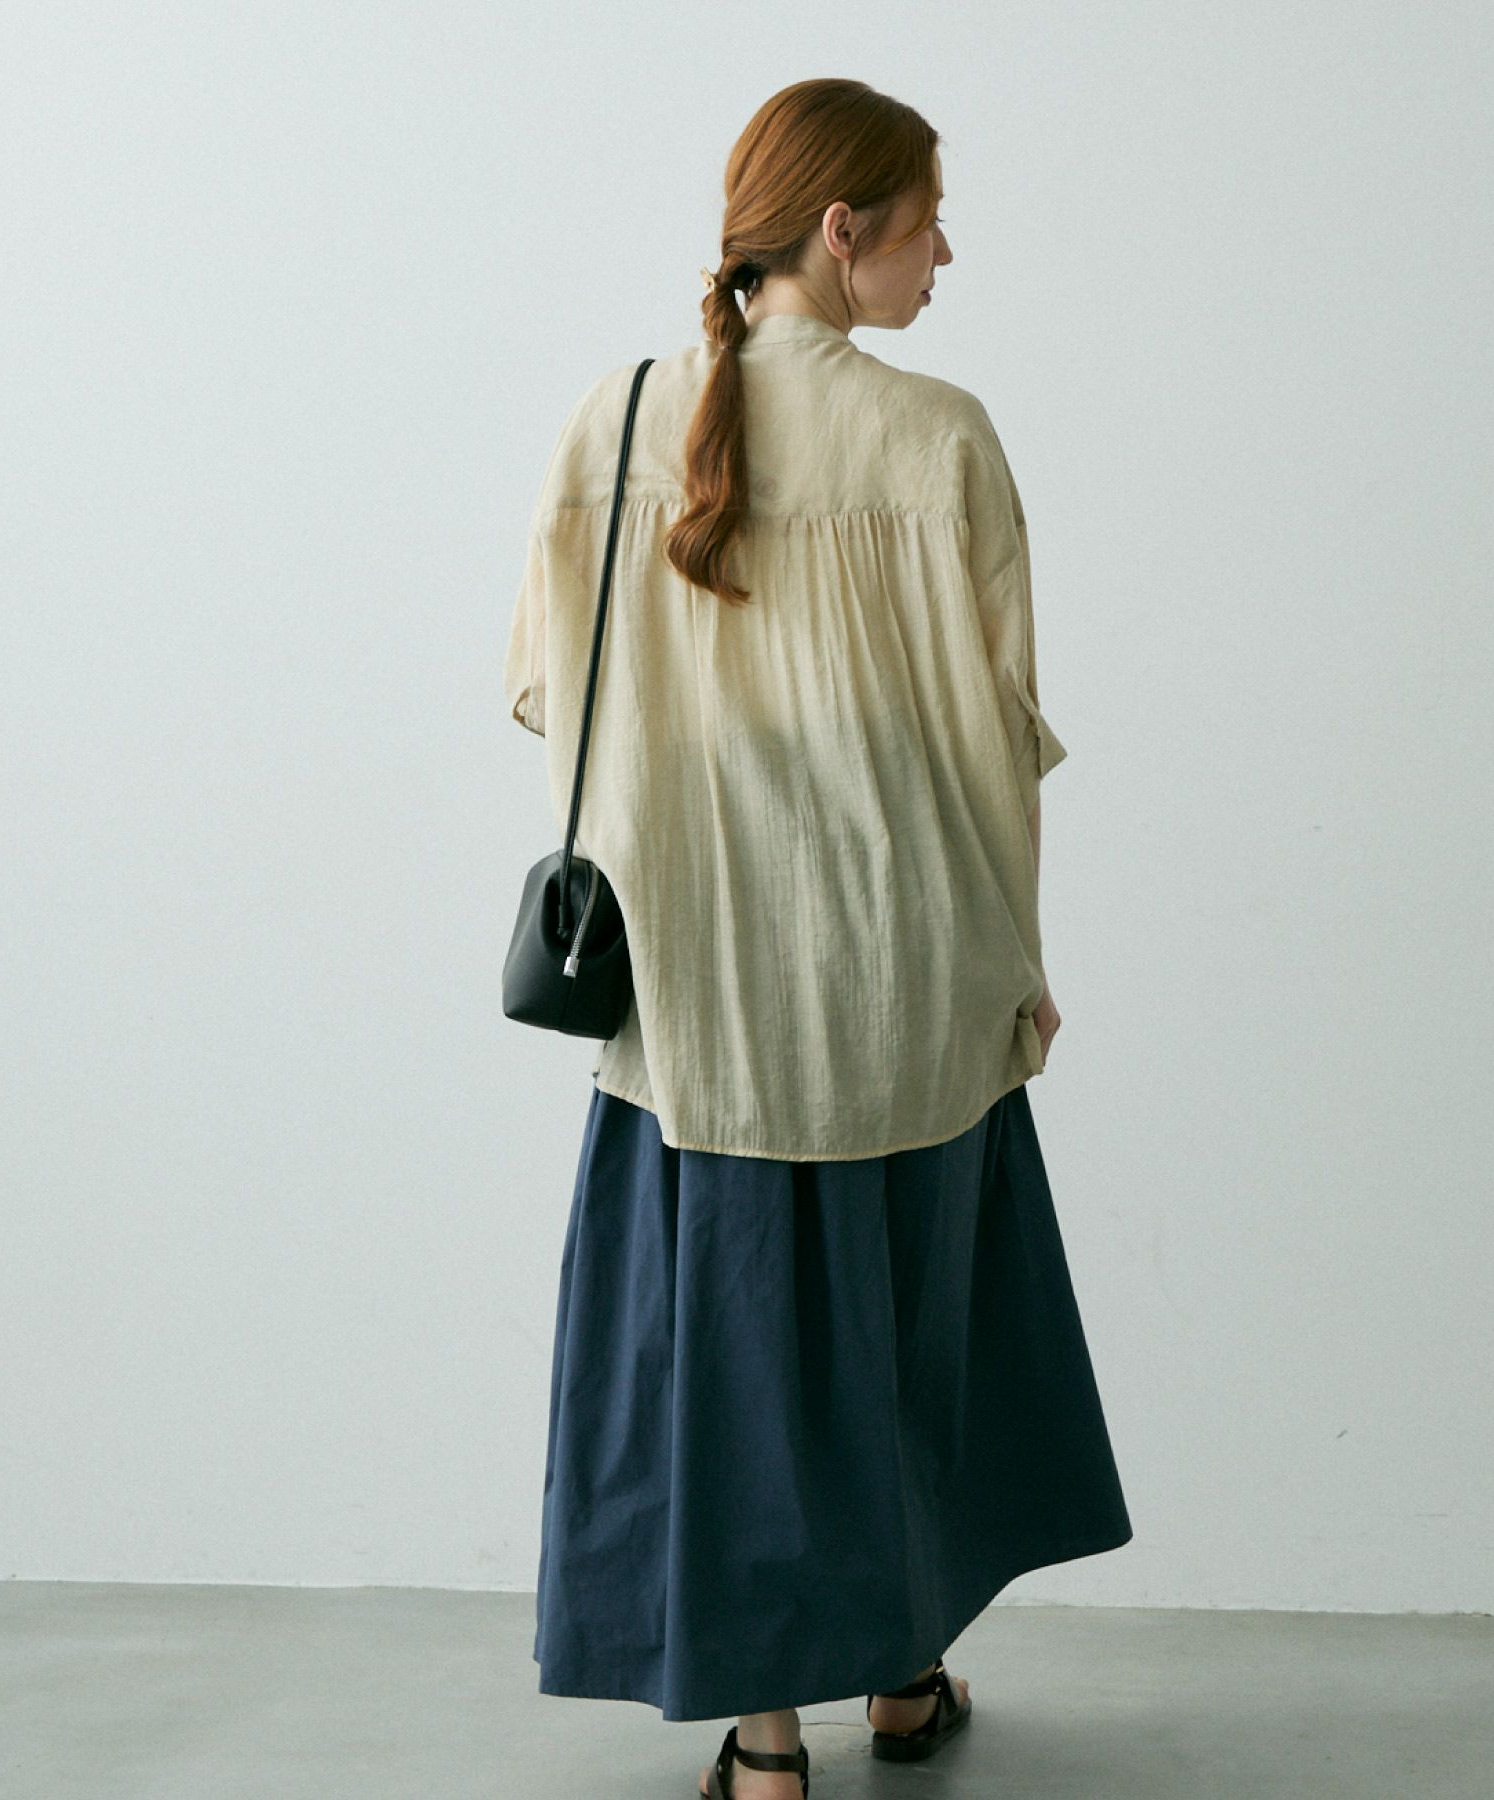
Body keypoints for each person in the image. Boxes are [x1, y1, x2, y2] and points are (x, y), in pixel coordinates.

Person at [504, 77, 1133, 1800]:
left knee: (733, 1370)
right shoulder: (939, 440)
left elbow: (543, 694)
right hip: (904, 981)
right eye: (929, 223)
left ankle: (768, 1745)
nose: (948, 255)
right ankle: (904, 1677)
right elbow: (996, 748)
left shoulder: (614, 421)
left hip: (697, 1002)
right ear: (842, 232)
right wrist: (1019, 962)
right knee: (904, 1346)